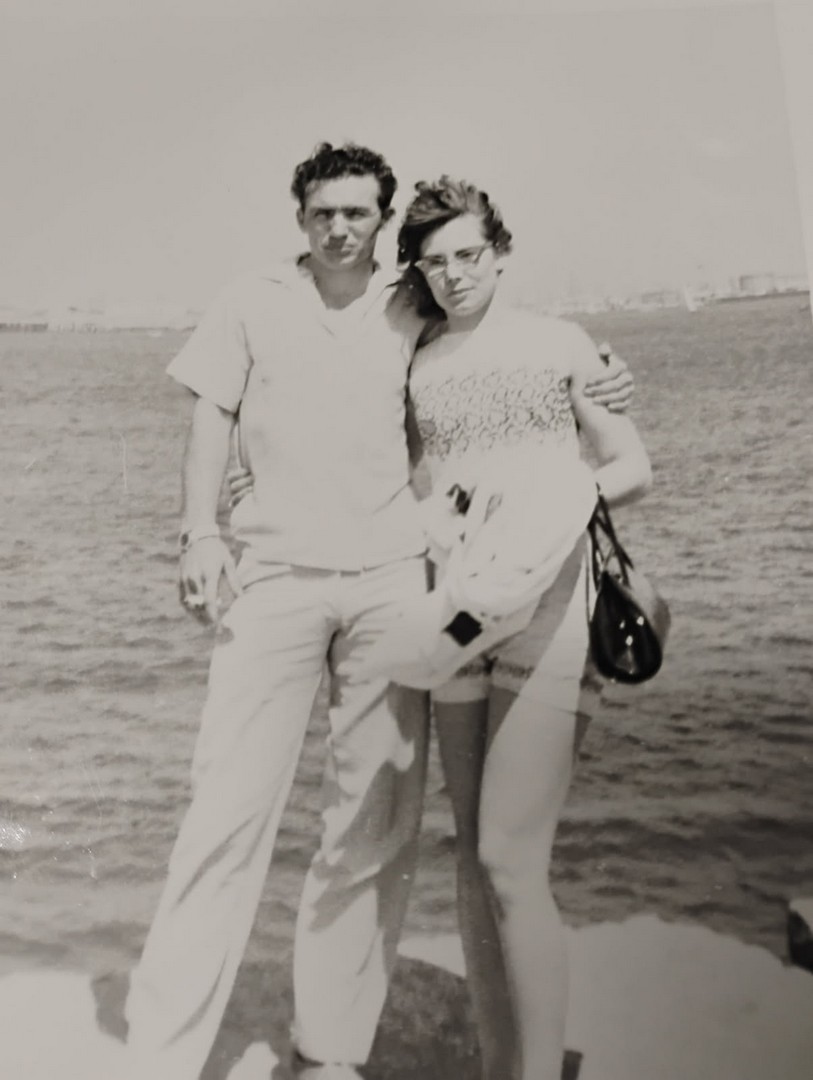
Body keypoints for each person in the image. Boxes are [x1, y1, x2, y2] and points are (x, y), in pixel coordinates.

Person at [123, 143, 634, 1080]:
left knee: (369, 825)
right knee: (223, 814)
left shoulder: (411, 302)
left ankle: (331, 1049)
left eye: (357, 212)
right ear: (299, 217)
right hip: (273, 578)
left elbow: (509, 343)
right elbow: (211, 418)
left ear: (381, 221)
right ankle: (159, 1055)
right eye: (322, 212)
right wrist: (198, 532)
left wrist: (602, 371)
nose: (338, 228)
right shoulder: (250, 300)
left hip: (394, 582)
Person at [393, 176, 652, 1080]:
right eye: (436, 262)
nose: (455, 274)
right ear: (419, 272)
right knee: (471, 858)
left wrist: (544, 505)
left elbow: (631, 466)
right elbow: (386, 474)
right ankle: (498, 1063)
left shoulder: (559, 344)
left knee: (509, 855)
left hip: (550, 606)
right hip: (456, 611)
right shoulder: (415, 360)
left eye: (469, 254)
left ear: (499, 252)